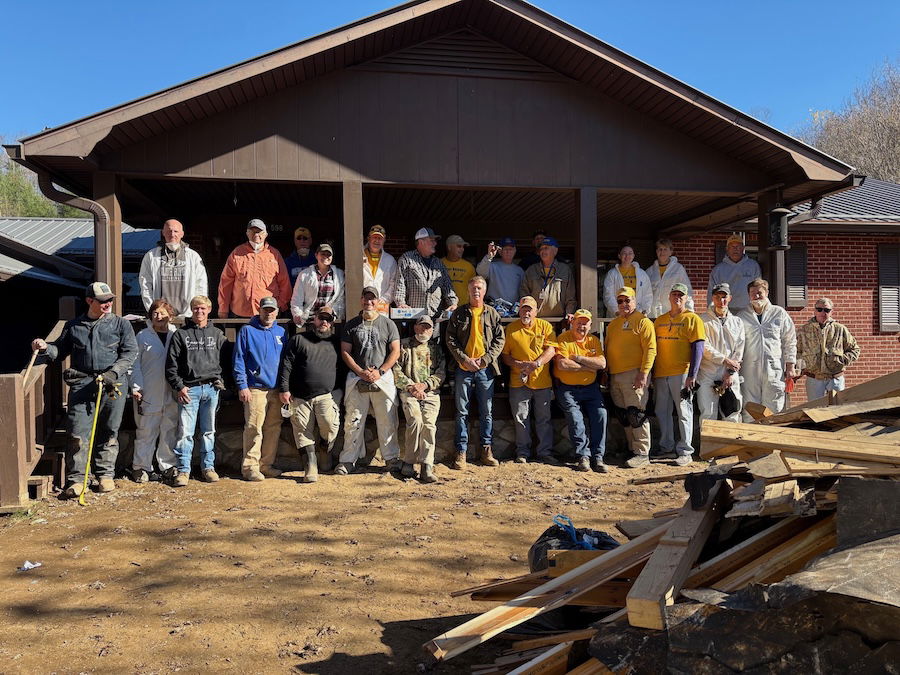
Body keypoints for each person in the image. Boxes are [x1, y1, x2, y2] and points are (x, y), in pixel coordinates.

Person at [31, 282, 138, 497]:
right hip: (82, 384)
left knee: (109, 431)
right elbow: (59, 351)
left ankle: (105, 475)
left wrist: (113, 373)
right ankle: (77, 479)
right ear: (90, 301)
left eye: (110, 300)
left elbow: (129, 353)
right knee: (78, 433)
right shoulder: (74, 326)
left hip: (112, 385)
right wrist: (44, 347)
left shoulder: (120, 325)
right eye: (102, 301)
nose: (107, 304)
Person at [337, 287, 402, 474]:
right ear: (361, 300)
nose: (369, 303)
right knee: (353, 421)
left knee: (387, 420)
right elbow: (345, 352)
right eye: (366, 299)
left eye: (372, 299)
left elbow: (395, 351)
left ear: (378, 301)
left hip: (382, 378)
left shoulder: (388, 324)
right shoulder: (351, 325)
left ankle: (391, 458)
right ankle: (348, 460)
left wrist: (380, 372)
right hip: (357, 378)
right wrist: (360, 371)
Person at [165, 295, 227, 487]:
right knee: (185, 433)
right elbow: (171, 365)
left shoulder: (217, 334)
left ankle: (208, 468)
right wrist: (179, 386)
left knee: (209, 431)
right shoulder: (181, 335)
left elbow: (226, 361)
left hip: (211, 389)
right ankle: (183, 470)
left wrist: (221, 381)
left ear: (209, 310)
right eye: (195, 309)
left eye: (202, 309)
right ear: (191, 311)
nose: (199, 312)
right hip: (189, 390)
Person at [446, 276, 505, 469]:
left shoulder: (492, 313)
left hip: (484, 369)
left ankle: (486, 450)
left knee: (486, 411)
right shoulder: (460, 313)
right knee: (461, 411)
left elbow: (499, 340)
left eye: (479, 288)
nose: (476, 292)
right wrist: (464, 359)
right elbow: (450, 339)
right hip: (463, 368)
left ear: (485, 290)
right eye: (473, 288)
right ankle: (461, 451)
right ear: (468, 291)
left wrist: (485, 360)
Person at [279, 306, 344, 483]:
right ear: (314, 319)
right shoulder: (298, 339)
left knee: (330, 426)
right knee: (302, 430)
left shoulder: (336, 343)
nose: (324, 322)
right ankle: (310, 466)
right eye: (321, 318)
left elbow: (344, 367)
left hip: (326, 395)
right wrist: (284, 389)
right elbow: (286, 365)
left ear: (332, 323)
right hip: (299, 395)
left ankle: (325, 450)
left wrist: (340, 391)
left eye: (328, 319)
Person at [233, 297, 287, 481]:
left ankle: (266, 465)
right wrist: (242, 385)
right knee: (254, 428)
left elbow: (286, 362)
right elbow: (239, 360)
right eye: (265, 309)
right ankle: (250, 467)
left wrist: (284, 387)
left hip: (276, 389)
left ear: (277, 311)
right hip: (254, 388)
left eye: (272, 310)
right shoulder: (247, 331)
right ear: (259, 310)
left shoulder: (281, 332)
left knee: (273, 428)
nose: (268, 313)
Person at [653, 283, 706, 466]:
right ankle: (666, 447)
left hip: (682, 373)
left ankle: (685, 451)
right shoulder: (659, 320)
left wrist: (693, 374)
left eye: (681, 295)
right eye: (674, 294)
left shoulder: (692, 319)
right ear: (669, 297)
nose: (677, 297)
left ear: (686, 298)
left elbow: (698, 348)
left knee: (684, 411)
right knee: (662, 411)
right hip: (661, 373)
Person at [501, 296, 557, 465]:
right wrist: (518, 364)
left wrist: (537, 363)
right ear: (519, 310)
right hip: (519, 381)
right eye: (524, 308)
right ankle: (522, 452)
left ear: (536, 312)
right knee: (520, 418)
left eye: (530, 309)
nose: (527, 312)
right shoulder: (511, 329)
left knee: (544, 419)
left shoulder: (545, 326)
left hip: (542, 380)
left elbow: (552, 349)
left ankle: (545, 452)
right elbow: (505, 356)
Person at [605, 287, 656, 468]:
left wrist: (643, 373)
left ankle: (642, 453)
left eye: (628, 300)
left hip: (635, 374)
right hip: (615, 375)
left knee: (636, 413)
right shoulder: (612, 325)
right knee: (624, 415)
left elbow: (651, 349)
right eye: (620, 301)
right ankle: (631, 449)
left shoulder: (643, 322)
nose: (624, 304)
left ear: (634, 301)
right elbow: (608, 350)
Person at [553, 309, 609, 472]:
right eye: (579, 323)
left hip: (591, 389)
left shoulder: (593, 340)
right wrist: (588, 367)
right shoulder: (563, 339)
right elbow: (562, 364)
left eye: (585, 323)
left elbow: (602, 364)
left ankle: (598, 457)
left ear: (590, 325)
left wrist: (577, 358)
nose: (582, 327)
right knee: (575, 418)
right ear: (572, 323)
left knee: (601, 414)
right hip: (567, 389)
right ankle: (583, 456)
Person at [393, 315, 446, 483]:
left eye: (428, 327)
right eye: (421, 327)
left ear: (432, 330)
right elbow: (396, 369)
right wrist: (411, 387)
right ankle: (409, 461)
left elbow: (441, 373)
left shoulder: (436, 349)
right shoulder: (404, 346)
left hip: (430, 392)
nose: (424, 330)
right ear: (415, 327)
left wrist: (425, 385)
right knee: (416, 420)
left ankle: (426, 465)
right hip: (408, 391)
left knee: (429, 424)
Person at [130, 298, 179, 483]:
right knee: (146, 430)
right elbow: (133, 365)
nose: (158, 317)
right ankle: (141, 467)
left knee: (169, 429)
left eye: (162, 313)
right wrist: (136, 386)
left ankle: (167, 466)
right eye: (155, 313)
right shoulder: (142, 336)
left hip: (171, 391)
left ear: (170, 316)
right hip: (147, 390)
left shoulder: (177, 335)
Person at [738, 278, 797, 420]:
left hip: (773, 368)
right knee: (750, 407)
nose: (756, 296)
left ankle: (771, 439)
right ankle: (751, 441)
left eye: (759, 292)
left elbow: (789, 340)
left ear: (767, 292)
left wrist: (790, 365)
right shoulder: (741, 316)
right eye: (753, 293)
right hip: (749, 370)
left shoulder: (779, 313)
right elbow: (736, 344)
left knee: (774, 407)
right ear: (748, 295)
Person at [217, 218, 292, 318]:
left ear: (265, 234)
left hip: (267, 313)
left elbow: (284, 282)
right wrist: (223, 309)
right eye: (252, 231)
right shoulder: (237, 253)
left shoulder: (274, 254)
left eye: (259, 231)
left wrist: (280, 304)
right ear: (247, 233)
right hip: (240, 312)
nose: (256, 234)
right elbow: (225, 283)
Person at [138, 219, 208, 318]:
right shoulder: (151, 256)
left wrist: (196, 309)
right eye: (169, 231)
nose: (172, 234)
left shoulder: (193, 256)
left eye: (176, 231)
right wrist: (153, 309)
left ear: (182, 234)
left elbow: (201, 285)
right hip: (161, 316)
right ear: (163, 233)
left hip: (187, 315)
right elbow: (145, 284)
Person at [698, 283, 745, 423]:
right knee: (707, 414)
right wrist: (724, 360)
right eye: (717, 297)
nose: (721, 301)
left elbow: (739, 349)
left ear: (729, 298)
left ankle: (732, 445)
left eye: (724, 297)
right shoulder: (702, 320)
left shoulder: (737, 322)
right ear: (713, 298)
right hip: (708, 374)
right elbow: (704, 346)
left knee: (732, 413)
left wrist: (730, 372)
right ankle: (708, 445)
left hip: (730, 375)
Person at [797, 298, 861, 400]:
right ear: (814, 311)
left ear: (831, 312)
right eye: (819, 309)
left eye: (826, 310)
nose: (823, 312)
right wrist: (801, 366)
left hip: (835, 378)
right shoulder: (804, 330)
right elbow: (796, 351)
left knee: (838, 409)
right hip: (814, 379)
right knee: (815, 411)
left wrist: (841, 360)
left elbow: (855, 350)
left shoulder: (840, 329)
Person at [395, 227, 458, 322]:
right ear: (421, 242)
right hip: (413, 317)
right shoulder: (407, 259)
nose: (435, 243)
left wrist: (453, 303)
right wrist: (401, 303)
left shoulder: (438, 263)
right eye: (432, 240)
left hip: (435, 317)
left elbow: (447, 286)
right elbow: (400, 283)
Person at [519, 237, 577, 319]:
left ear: (555, 251)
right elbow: (524, 293)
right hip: (535, 320)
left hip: (559, 320)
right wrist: (527, 313)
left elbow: (570, 296)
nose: (543, 251)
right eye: (541, 248)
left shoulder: (565, 270)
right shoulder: (531, 270)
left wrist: (569, 312)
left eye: (546, 248)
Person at [290, 242, 346, 326]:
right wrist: (297, 314)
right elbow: (296, 298)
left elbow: (341, 298)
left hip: (328, 320)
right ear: (316, 255)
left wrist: (332, 311)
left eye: (328, 255)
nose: (326, 257)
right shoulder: (304, 274)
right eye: (323, 254)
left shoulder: (339, 274)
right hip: (309, 319)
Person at [708, 234, 761, 312]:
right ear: (727, 249)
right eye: (732, 246)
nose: (735, 249)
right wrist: (711, 310)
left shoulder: (753, 266)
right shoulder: (718, 270)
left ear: (743, 248)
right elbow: (711, 292)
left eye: (738, 246)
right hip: (726, 310)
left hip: (748, 310)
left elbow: (759, 288)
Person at [646, 238, 693, 319]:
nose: (662, 252)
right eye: (660, 249)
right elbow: (646, 294)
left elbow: (687, 291)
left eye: (665, 249)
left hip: (672, 313)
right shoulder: (649, 271)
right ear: (656, 251)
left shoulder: (678, 269)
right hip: (653, 314)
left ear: (671, 252)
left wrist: (690, 311)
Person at [603, 244, 652, 318]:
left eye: (630, 253)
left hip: (637, 314)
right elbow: (608, 296)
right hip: (617, 316)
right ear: (619, 256)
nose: (627, 256)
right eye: (624, 253)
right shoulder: (612, 274)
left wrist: (644, 311)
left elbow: (647, 295)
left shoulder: (642, 274)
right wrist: (617, 312)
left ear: (633, 256)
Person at [475, 236, 524, 305]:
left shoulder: (519, 270)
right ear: (500, 251)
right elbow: (480, 272)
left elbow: (523, 290)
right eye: (505, 249)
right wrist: (489, 256)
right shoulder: (492, 266)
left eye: (510, 249)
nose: (508, 251)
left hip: (513, 309)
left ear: (515, 251)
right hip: (495, 307)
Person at [362, 225, 397, 316]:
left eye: (380, 238)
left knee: (381, 329)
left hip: (382, 307)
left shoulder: (390, 260)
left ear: (384, 240)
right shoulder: (358, 256)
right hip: (362, 305)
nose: (377, 241)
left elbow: (394, 283)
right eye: (374, 237)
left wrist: (385, 299)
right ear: (368, 238)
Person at [442, 234, 476, 305]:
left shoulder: (469, 266)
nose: (462, 249)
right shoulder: (438, 264)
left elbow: (474, 288)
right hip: (443, 309)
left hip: (464, 307)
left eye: (463, 247)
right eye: (459, 246)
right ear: (449, 247)